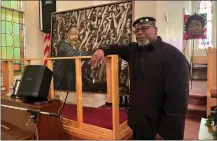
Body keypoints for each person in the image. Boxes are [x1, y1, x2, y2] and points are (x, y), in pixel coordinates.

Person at [89, 16, 190, 140]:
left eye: (145, 28)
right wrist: (101, 50)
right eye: (136, 30)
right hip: (138, 123)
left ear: (155, 30)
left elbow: (178, 101)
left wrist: (166, 134)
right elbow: (116, 47)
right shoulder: (134, 51)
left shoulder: (173, 57)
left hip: (159, 129)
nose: (140, 33)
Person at [53, 26, 89, 91]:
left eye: (78, 34)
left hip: (67, 84)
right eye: (74, 34)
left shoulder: (69, 46)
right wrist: (95, 54)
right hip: (61, 84)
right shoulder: (63, 46)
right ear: (67, 35)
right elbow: (77, 54)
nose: (77, 37)